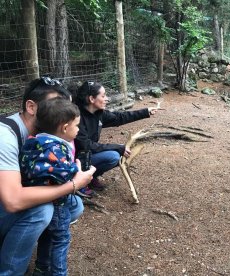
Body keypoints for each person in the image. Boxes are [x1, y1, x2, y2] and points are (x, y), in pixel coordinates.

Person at [0, 77, 96, 275]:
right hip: (8, 201)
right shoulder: (5, 136)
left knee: (73, 205)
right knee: (41, 211)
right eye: (55, 104)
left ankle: (40, 264)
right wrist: (73, 184)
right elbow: (12, 201)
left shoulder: (46, 137)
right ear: (31, 107)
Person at [19, 98, 88, 276]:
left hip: (37, 201)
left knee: (46, 237)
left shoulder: (33, 142)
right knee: (61, 240)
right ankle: (59, 273)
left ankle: (41, 269)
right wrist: (77, 170)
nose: (78, 129)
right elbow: (61, 173)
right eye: (77, 125)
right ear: (65, 128)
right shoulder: (57, 148)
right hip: (57, 204)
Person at [73, 81, 157, 192]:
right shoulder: (76, 117)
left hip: (87, 155)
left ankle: (90, 177)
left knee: (116, 155)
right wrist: (117, 147)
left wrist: (145, 112)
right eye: (103, 96)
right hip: (75, 160)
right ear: (91, 99)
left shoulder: (98, 113)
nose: (107, 99)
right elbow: (85, 145)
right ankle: (79, 181)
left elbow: (119, 117)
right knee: (113, 156)